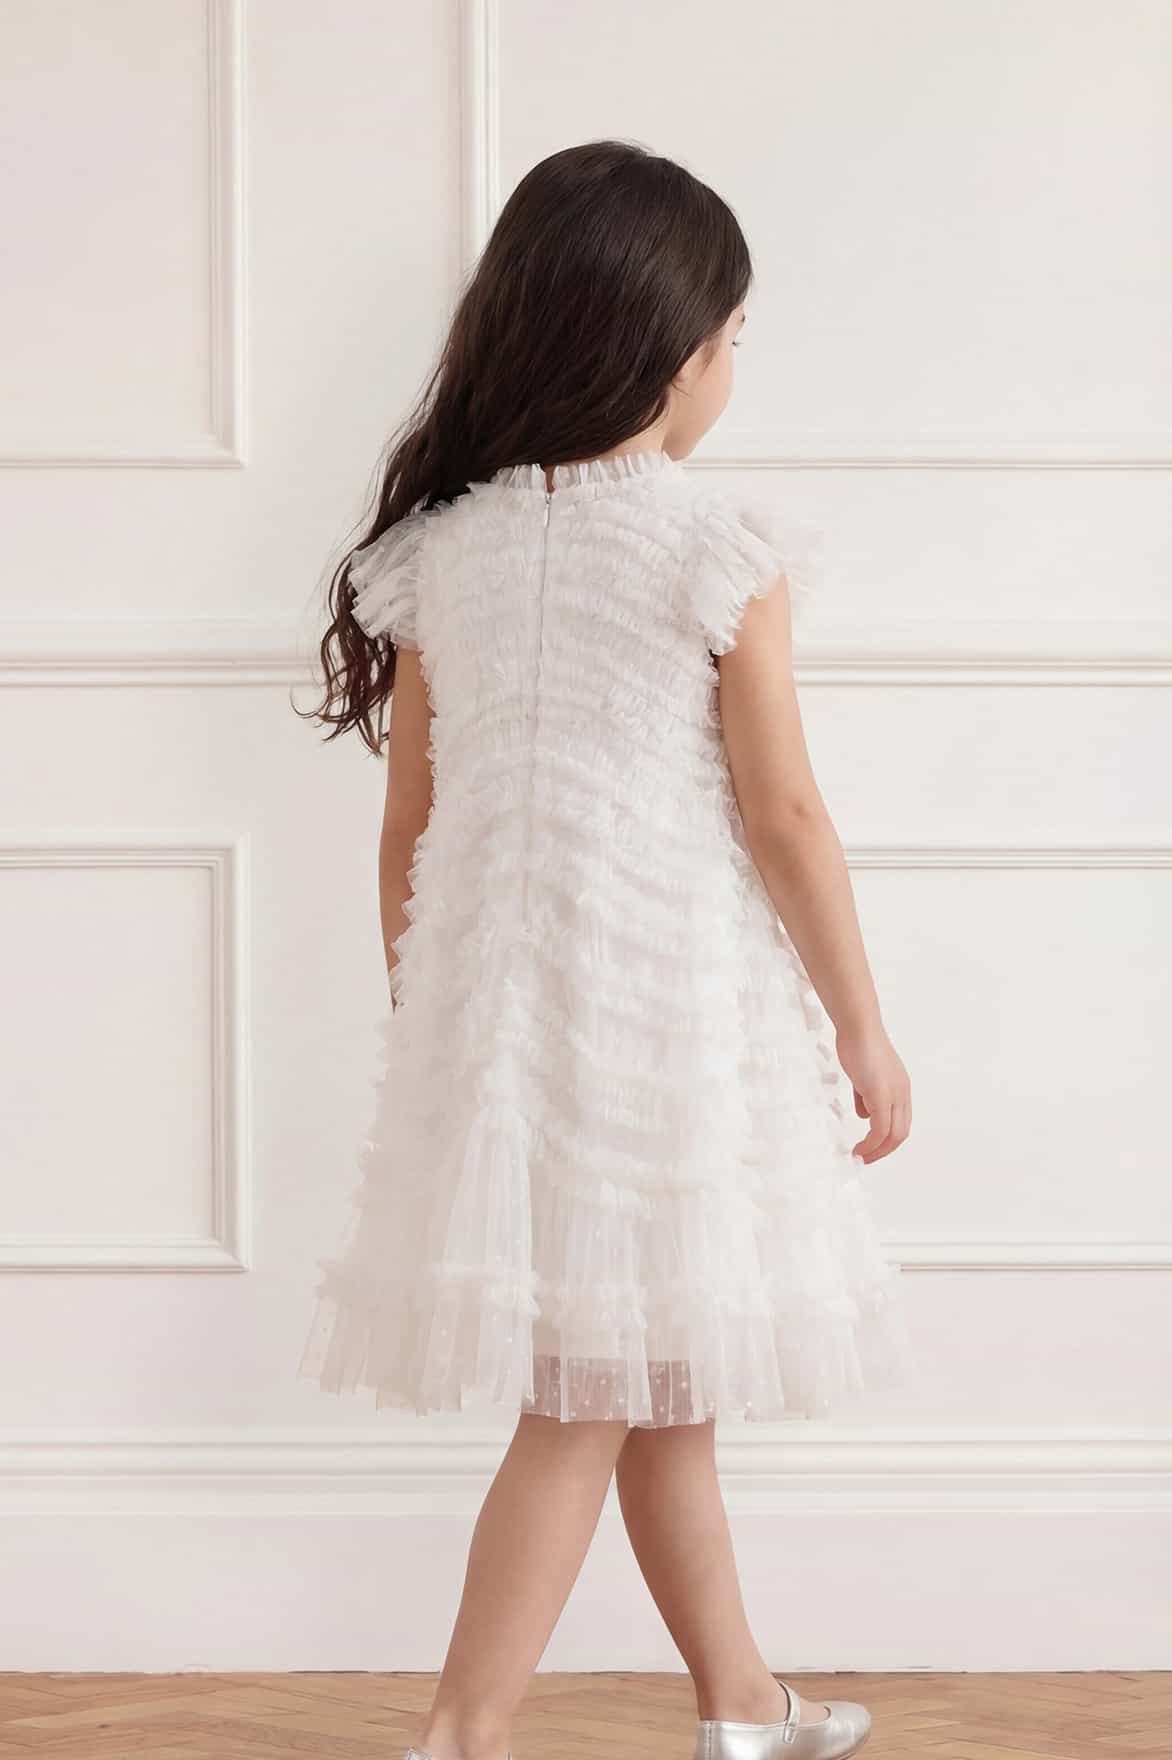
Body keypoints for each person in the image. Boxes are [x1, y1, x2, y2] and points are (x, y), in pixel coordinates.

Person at [296, 139, 915, 1760]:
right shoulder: (719, 549)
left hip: (505, 1022)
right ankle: (463, 1730)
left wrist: (431, 1009)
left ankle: (744, 1707)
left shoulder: (446, 553)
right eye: (729, 339)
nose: (732, 370)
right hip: (665, 1019)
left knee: (660, 1383)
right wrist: (862, 1028)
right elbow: (785, 813)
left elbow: (410, 829)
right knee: (585, 1399)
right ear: (665, 348)